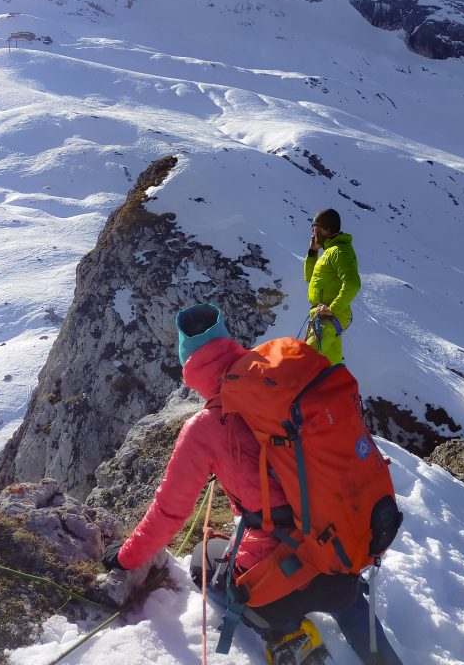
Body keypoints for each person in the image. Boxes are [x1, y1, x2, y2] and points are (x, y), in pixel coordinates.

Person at [102, 303, 401, 665]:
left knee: (204, 561)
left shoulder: (204, 427)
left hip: (284, 577)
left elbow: (169, 512)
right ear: (229, 343)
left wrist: (124, 557)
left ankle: (284, 632)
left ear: (190, 367)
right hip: (340, 554)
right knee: (346, 598)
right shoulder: (285, 395)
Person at [304, 208, 361, 366]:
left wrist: (332, 309)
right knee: (329, 367)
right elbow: (310, 278)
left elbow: (353, 283)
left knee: (305, 360)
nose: (313, 233)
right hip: (324, 316)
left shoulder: (339, 251)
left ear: (327, 229)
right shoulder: (329, 252)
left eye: (315, 228)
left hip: (329, 317)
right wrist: (312, 252)